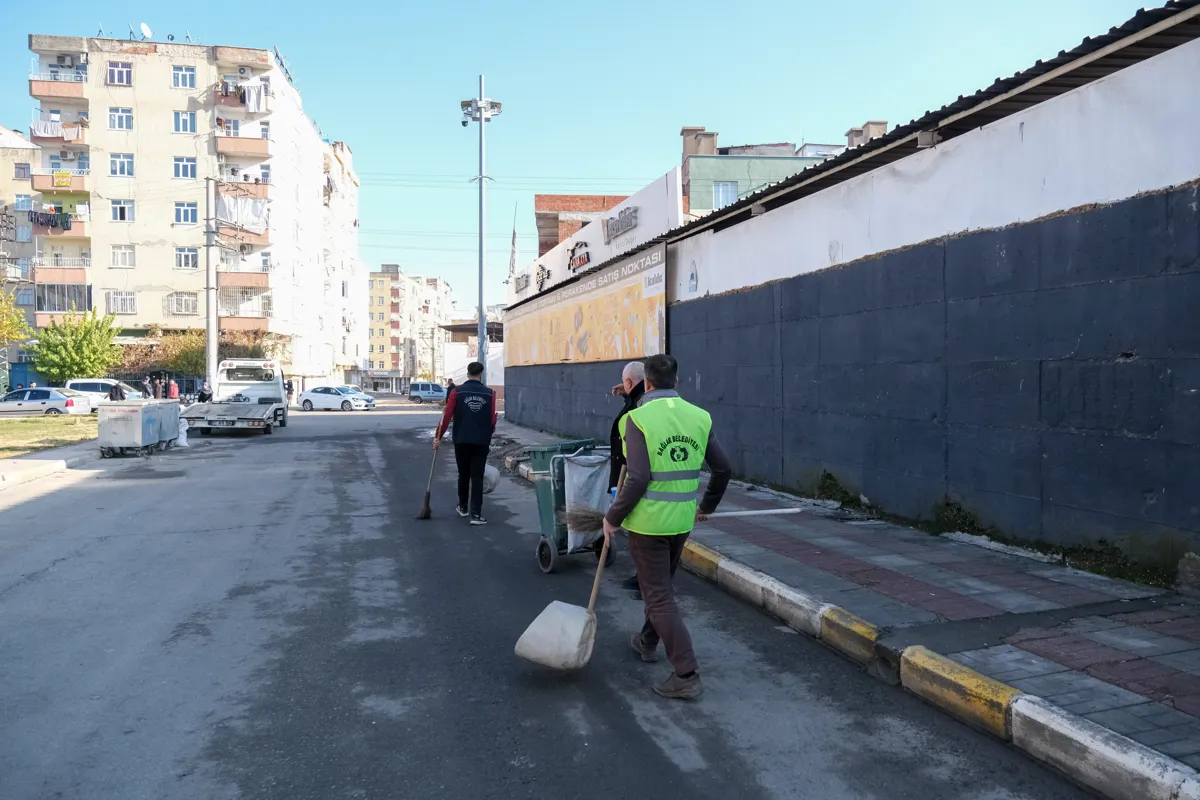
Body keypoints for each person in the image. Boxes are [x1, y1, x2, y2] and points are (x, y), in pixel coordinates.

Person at [603, 354, 732, 700]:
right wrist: (706, 506)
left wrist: (612, 518)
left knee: (658, 596)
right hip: (681, 521)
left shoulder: (636, 419)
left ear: (646, 384)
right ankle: (646, 640)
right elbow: (723, 469)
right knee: (660, 588)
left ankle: (686, 674)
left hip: (648, 525)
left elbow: (637, 477)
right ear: (676, 382)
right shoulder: (700, 417)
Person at [434, 361, 497, 526]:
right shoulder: (490, 394)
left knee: (463, 473)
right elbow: (492, 419)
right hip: (481, 441)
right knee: (477, 476)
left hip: (461, 439)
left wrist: (438, 436)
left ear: (468, 374)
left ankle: (462, 507)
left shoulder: (457, 392)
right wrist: (488, 435)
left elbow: (447, 416)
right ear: (481, 374)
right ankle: (476, 514)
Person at [610, 361, 646, 592]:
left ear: (630, 381)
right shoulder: (641, 398)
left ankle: (647, 581)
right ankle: (644, 576)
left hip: (632, 473)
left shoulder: (639, 406)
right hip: (632, 472)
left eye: (626, 382)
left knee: (639, 533)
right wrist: (627, 392)